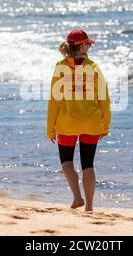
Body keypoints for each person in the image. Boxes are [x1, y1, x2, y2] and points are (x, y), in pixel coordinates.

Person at [47, 29, 111, 212]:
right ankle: (89, 207)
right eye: (88, 44)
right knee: (88, 164)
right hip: (91, 122)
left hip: (66, 122)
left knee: (66, 161)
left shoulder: (60, 67)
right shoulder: (93, 67)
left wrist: (50, 128)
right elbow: (104, 98)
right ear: (81, 46)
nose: (90, 46)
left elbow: (54, 100)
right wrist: (105, 125)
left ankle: (77, 197)